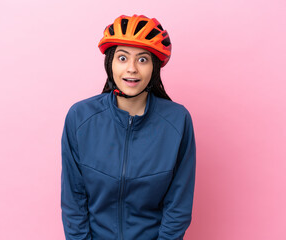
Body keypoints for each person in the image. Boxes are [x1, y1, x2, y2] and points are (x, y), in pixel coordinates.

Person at [61, 14, 196, 240]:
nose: (132, 68)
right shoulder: (80, 117)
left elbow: (178, 205)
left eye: (142, 60)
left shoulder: (177, 121)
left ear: (154, 67)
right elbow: (73, 201)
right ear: (110, 63)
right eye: (122, 58)